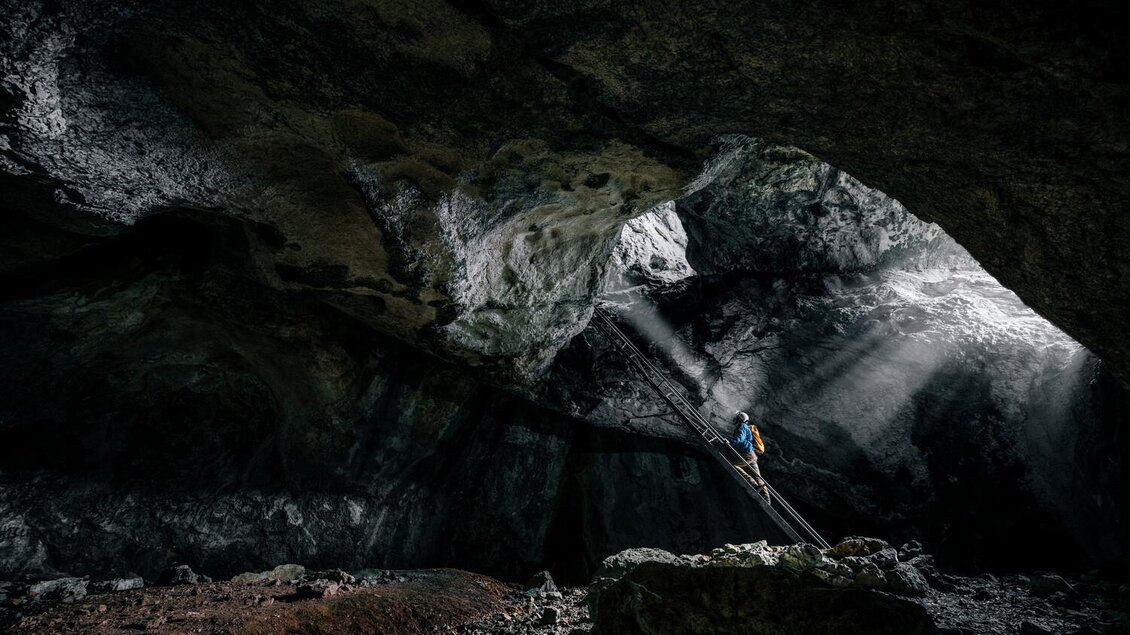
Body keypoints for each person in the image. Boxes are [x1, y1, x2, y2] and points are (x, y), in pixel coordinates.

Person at [729, 411, 770, 504]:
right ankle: (766, 500)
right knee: (758, 477)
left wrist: (729, 442)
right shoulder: (746, 427)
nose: (734, 419)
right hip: (752, 455)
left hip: (747, 454)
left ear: (740, 419)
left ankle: (753, 484)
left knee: (733, 465)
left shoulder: (742, 427)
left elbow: (739, 439)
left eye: (736, 417)